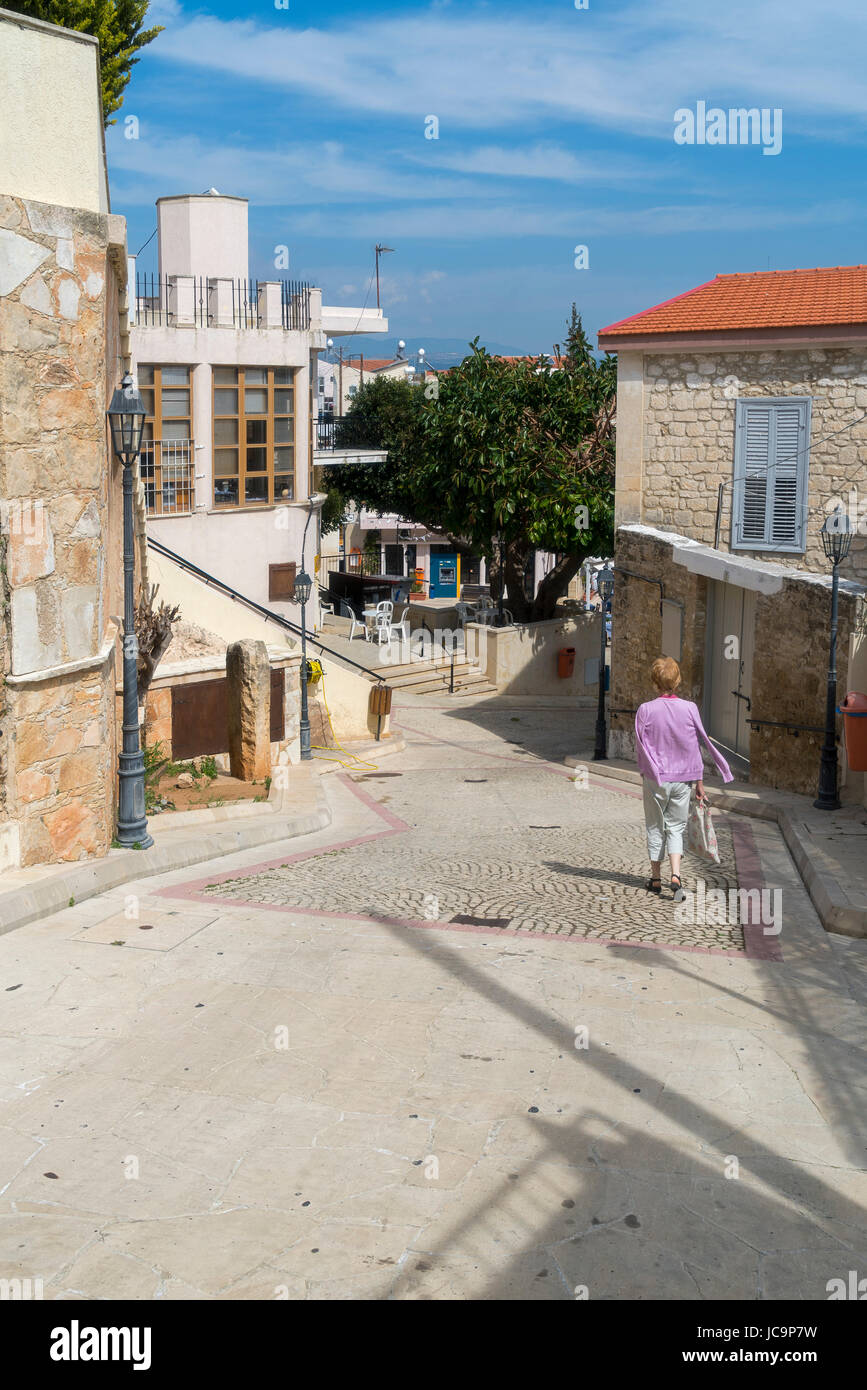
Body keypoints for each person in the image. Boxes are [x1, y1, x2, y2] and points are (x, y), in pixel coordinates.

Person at [635, 656, 733, 901]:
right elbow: (695, 745)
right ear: (677, 682)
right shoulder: (690, 708)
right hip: (683, 779)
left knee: (656, 826)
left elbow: (640, 745)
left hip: (655, 778)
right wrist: (699, 782)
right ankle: (676, 875)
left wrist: (648, 771)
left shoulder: (646, 710)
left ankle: (655, 879)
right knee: (676, 827)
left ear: (654, 682)